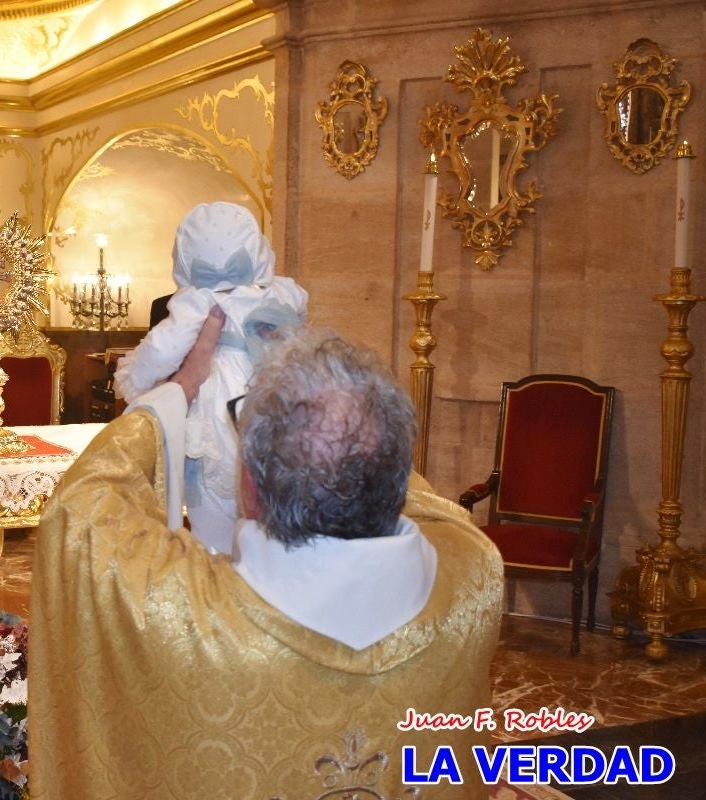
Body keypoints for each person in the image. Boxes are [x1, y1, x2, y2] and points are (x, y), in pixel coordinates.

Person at [30, 323, 504, 800]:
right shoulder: (473, 576)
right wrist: (350, 418)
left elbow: (82, 509)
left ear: (250, 487)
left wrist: (178, 392)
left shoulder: (173, 614)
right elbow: (417, 498)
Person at [114, 201, 308, 553]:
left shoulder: (198, 301)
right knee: (273, 516)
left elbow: (162, 349)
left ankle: (219, 578)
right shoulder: (281, 293)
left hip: (218, 415)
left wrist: (133, 377)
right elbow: (299, 310)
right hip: (273, 406)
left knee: (213, 514)